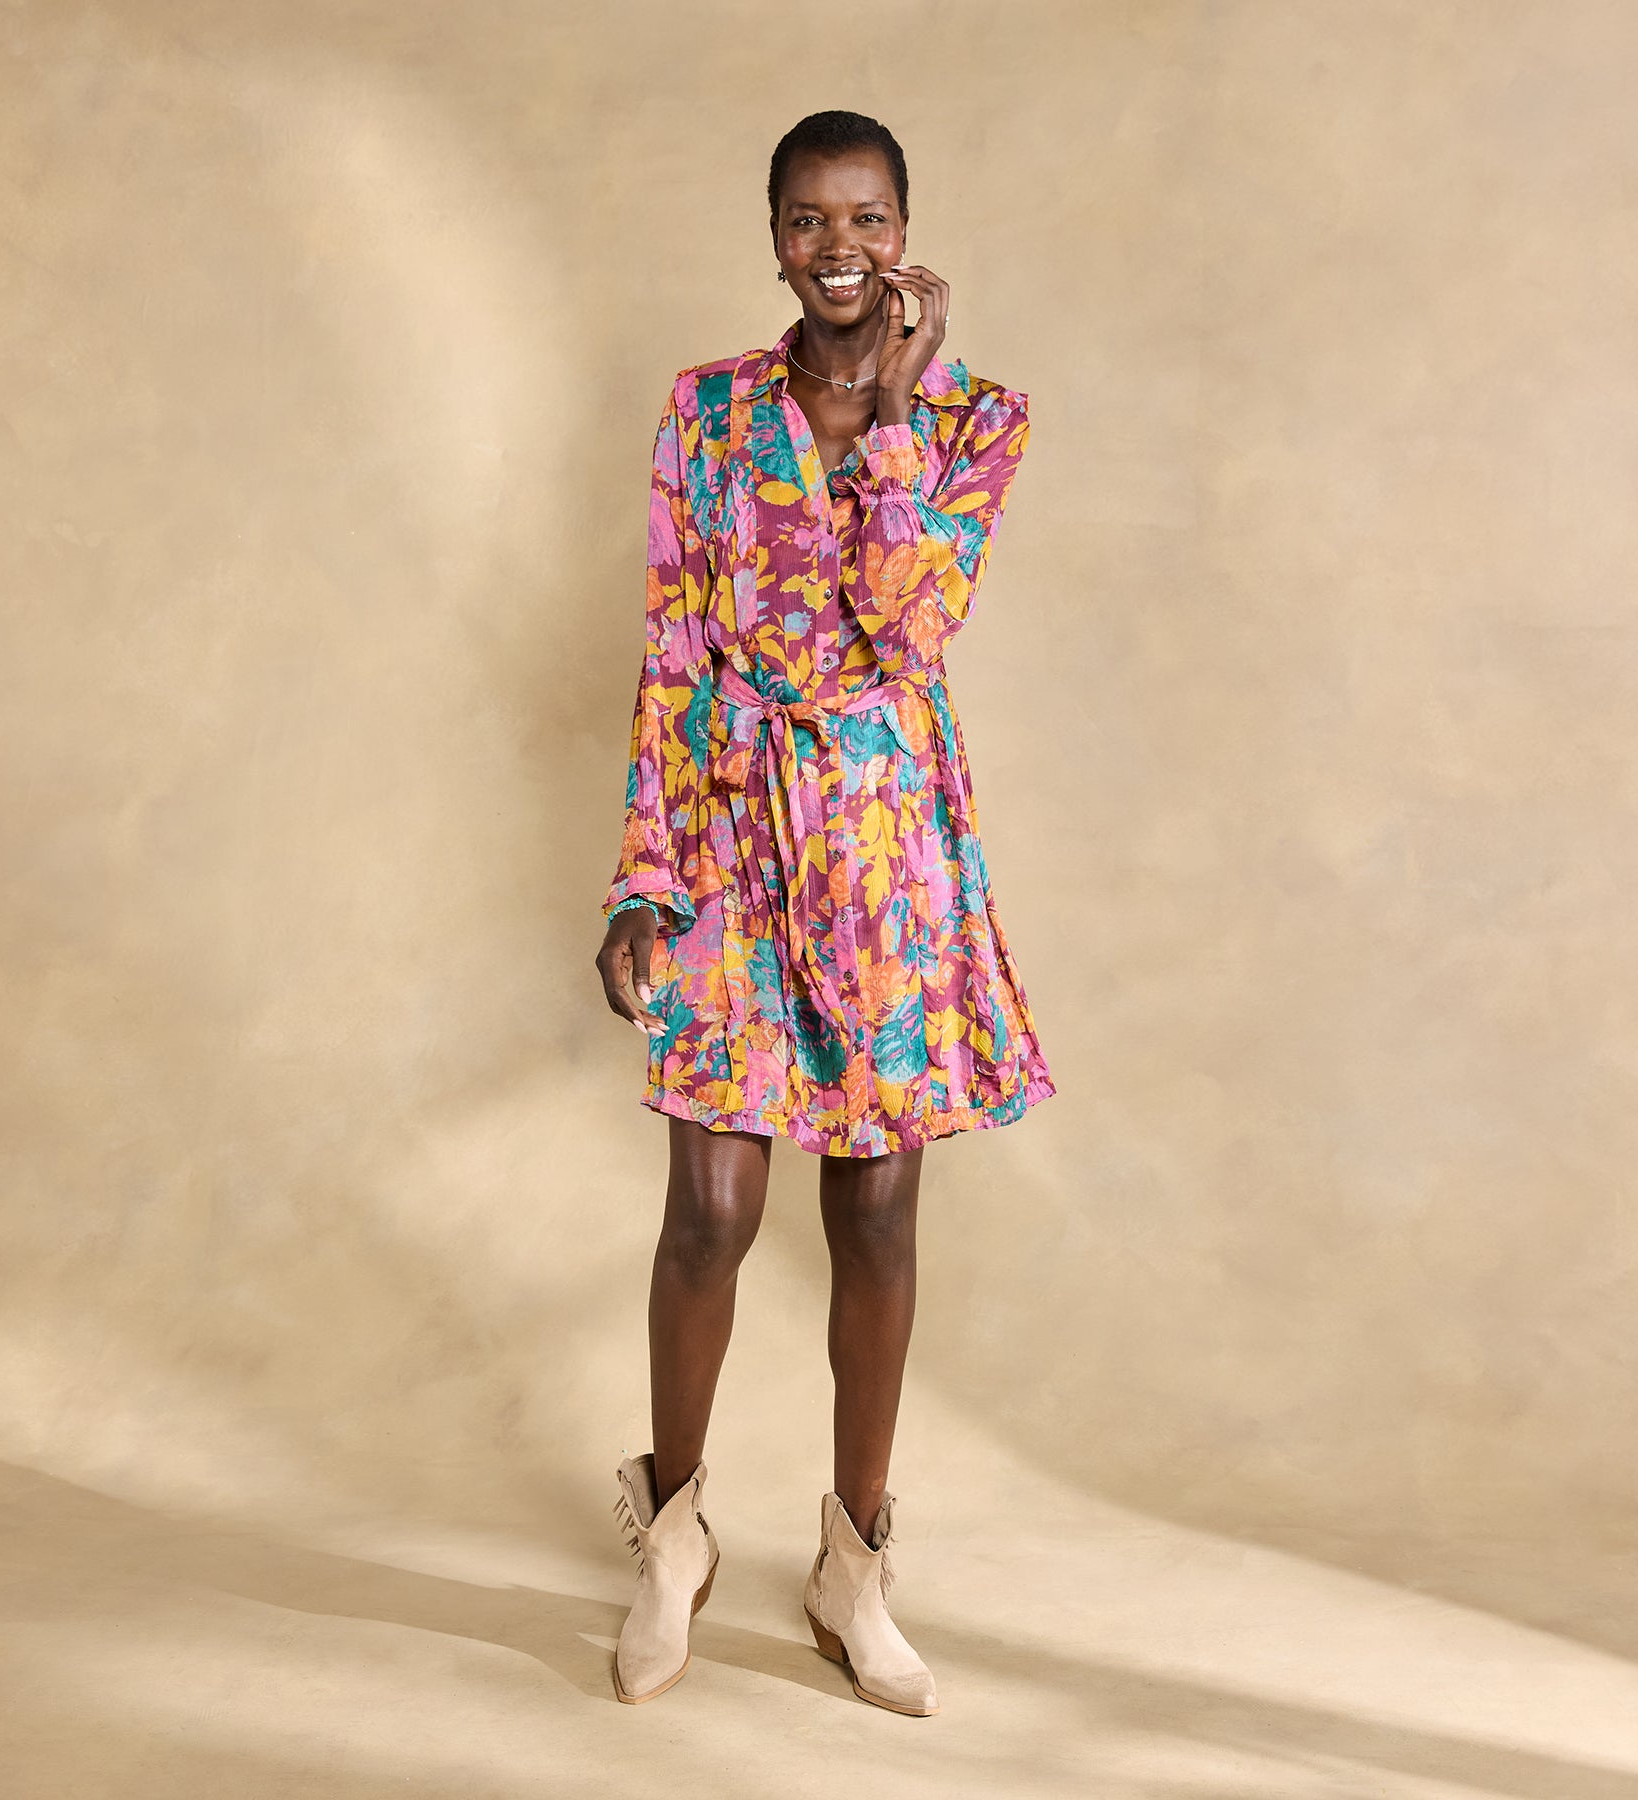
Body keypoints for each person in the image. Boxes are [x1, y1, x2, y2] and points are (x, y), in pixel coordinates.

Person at [593, 109, 1056, 1713]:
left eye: (865, 218)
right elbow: (674, 646)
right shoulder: (709, 411)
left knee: (872, 1218)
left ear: (906, 235)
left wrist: (899, 417)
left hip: (883, 846)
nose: (837, 247)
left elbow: (911, 627)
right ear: (776, 237)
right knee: (710, 1216)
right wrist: (646, 876)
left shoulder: (978, 420)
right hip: (731, 831)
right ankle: (671, 1539)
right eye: (806, 219)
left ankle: (854, 1566)